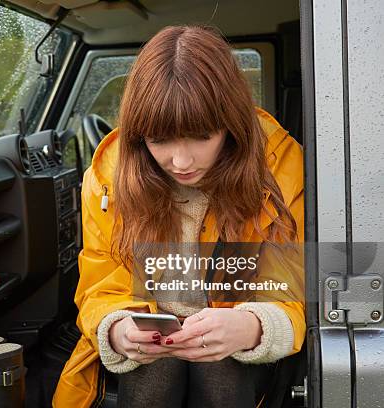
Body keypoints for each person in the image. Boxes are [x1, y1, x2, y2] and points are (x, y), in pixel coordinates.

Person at [53, 25, 305, 408]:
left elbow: (293, 288)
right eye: (160, 140)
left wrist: (252, 327)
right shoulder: (108, 178)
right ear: (139, 136)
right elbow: (101, 285)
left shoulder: (280, 167)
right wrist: (118, 330)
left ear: (231, 123)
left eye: (203, 136)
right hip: (153, 356)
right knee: (155, 366)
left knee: (219, 363)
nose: (182, 162)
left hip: (242, 354)